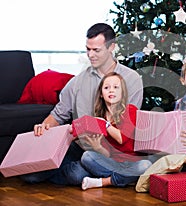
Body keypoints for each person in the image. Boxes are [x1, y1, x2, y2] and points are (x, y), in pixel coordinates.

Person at [20, 23, 143, 185]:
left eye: (96, 50)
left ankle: (82, 172)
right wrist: (43, 128)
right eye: (88, 49)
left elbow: (128, 127)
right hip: (79, 146)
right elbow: (58, 114)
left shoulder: (132, 79)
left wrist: (101, 145)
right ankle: (79, 170)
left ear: (112, 47)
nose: (90, 55)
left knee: (77, 175)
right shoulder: (77, 81)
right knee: (30, 176)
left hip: (109, 151)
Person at [73, 72, 152, 190]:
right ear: (101, 94)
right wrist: (98, 147)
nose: (111, 90)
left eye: (116, 87)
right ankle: (125, 178)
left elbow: (122, 139)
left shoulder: (130, 110)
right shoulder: (100, 118)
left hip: (133, 162)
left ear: (122, 93)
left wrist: (105, 125)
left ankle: (105, 181)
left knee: (146, 165)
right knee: (87, 157)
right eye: (106, 88)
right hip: (112, 163)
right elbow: (108, 154)